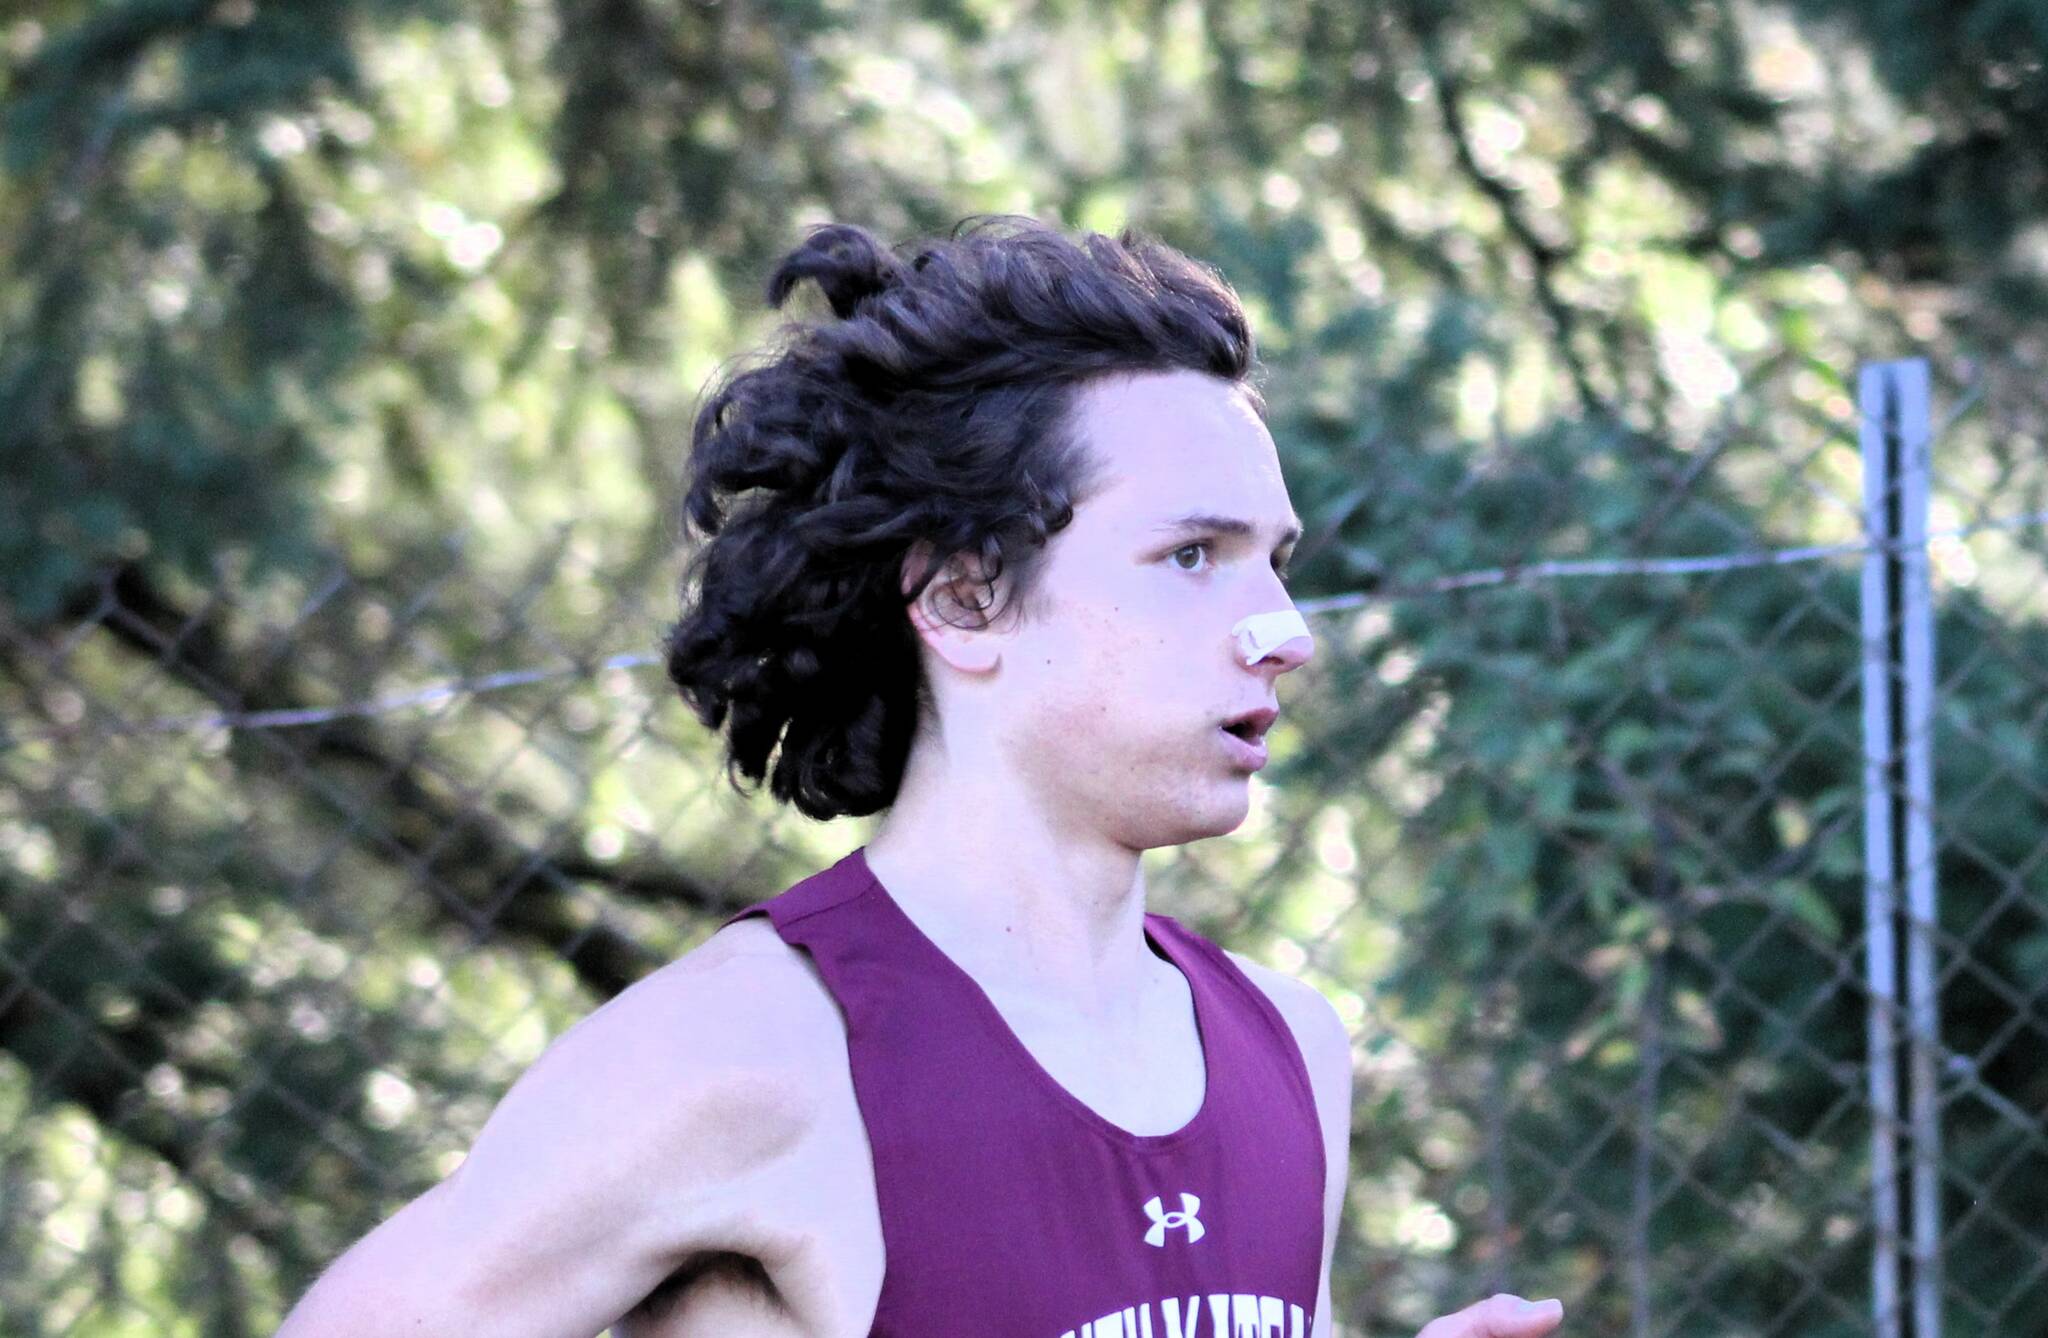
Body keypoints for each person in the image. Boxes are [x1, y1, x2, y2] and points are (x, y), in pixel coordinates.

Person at [273, 216, 1566, 1338]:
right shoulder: (752, 1051)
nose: (1285, 628)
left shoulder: (1294, 1051)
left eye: (1275, 559)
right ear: (962, 596)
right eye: (1192, 555)